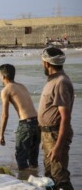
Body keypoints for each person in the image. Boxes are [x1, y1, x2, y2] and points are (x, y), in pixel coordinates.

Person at [38, 47, 74, 190]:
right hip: (48, 135)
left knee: (60, 176)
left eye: (42, 62)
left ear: (46, 63)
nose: (42, 64)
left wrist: (58, 147)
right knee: (49, 177)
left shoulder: (60, 82)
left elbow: (65, 118)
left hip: (55, 135)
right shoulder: (52, 81)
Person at [0, 64, 40, 170]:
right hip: (37, 122)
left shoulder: (6, 90)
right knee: (33, 160)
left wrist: (1, 134)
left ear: (3, 76)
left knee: (21, 157)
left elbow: (5, 115)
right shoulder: (22, 86)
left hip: (26, 124)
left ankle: (24, 182)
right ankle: (36, 181)